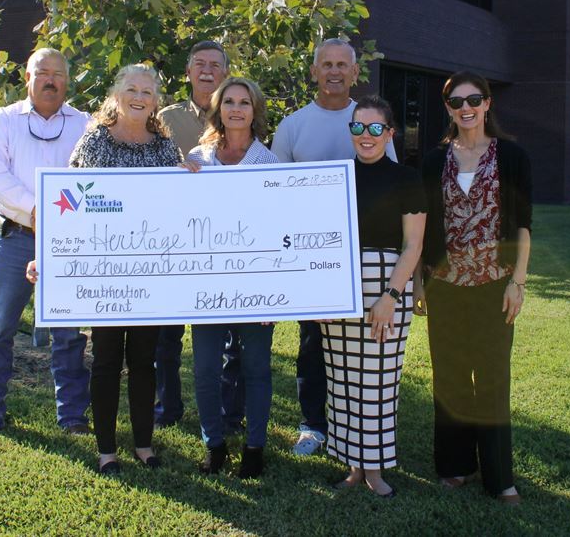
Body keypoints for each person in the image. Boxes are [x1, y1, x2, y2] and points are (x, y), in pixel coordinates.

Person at [30, 63, 183, 475]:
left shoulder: (166, 148)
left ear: (156, 101)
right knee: (107, 360)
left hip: (151, 274)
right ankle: (106, 450)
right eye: (131, 89)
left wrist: (190, 181)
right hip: (106, 275)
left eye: (147, 92)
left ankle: (144, 444)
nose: (139, 97)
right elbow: (68, 207)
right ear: (116, 95)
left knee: (144, 360)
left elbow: (180, 209)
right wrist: (47, 257)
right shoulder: (95, 141)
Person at [272, 38, 397, 456]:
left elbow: (390, 183)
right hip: (310, 257)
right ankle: (313, 426)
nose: (334, 72)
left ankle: (356, 425)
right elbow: (272, 192)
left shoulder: (369, 120)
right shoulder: (293, 126)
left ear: (355, 73)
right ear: (313, 72)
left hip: (365, 254)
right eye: (326, 64)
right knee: (313, 343)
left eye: (342, 65)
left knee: (359, 346)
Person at [415, 71, 532, 505]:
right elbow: (422, 229)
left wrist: (517, 283)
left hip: (493, 285)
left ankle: (500, 477)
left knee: (492, 378)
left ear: (487, 104)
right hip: (444, 285)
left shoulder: (512, 158)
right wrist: (418, 283)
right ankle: (454, 466)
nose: (466, 107)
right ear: (448, 108)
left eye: (474, 99)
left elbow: (523, 226)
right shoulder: (432, 161)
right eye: (456, 101)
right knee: (450, 377)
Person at [0, 48, 91, 438]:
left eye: (58, 73)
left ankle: (72, 418)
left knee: (69, 333)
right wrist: (40, 209)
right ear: (28, 77)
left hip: (69, 243)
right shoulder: (1, 122)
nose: (50, 80)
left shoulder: (86, 125)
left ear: (67, 80)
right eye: (43, 73)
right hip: (16, 238)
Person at [320, 95, 425, 497]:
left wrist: (391, 295)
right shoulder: (337, 174)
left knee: (379, 383)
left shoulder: (406, 178)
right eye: (358, 128)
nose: (367, 136)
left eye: (376, 128)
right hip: (340, 283)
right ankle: (352, 467)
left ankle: (376, 469)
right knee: (343, 380)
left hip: (387, 283)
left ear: (390, 133)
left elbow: (413, 245)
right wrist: (323, 296)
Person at [182, 77, 278, 478]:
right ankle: (214, 444)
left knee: (255, 367)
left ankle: (255, 447)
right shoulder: (198, 158)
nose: (236, 109)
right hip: (206, 282)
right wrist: (176, 182)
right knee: (205, 368)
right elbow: (180, 219)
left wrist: (277, 292)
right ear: (218, 108)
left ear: (255, 110)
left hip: (256, 284)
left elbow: (278, 228)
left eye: (244, 102)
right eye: (229, 102)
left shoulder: (270, 164)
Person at [154, 41, 245, 433]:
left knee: (230, 339)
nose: (207, 71)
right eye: (199, 64)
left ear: (225, 73)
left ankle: (229, 415)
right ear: (188, 72)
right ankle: (167, 408)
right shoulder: (165, 118)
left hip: (224, 243)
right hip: (173, 241)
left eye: (215, 65)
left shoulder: (239, 113)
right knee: (166, 337)